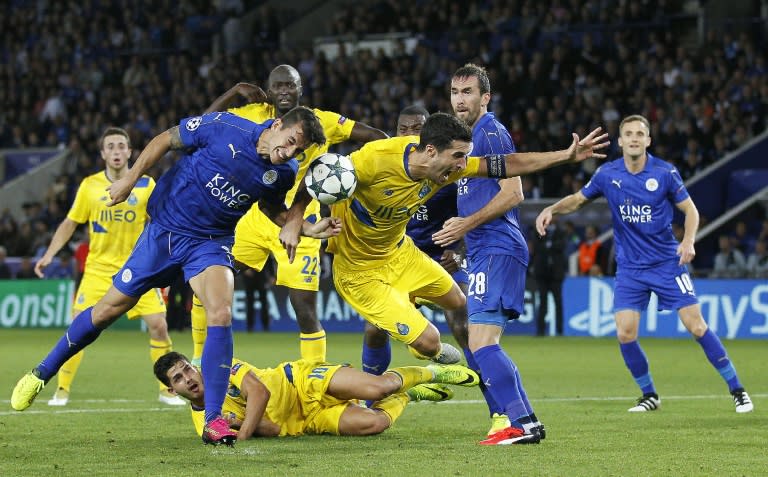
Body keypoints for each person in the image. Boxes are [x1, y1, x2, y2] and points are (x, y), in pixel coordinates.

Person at [12, 106, 341, 448]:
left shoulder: (283, 172)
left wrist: (306, 228)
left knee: (221, 311)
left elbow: (271, 209)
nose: (288, 153)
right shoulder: (224, 126)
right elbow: (165, 139)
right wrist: (130, 178)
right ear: (276, 125)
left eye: (297, 151)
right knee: (106, 311)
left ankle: (213, 419)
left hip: (210, 243)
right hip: (164, 233)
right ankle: (41, 374)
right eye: (288, 142)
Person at [281, 112, 608, 442]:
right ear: (430, 151)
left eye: (464, 157)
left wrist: (565, 156)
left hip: (400, 252)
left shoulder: (448, 165)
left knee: (458, 303)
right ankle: (428, 371)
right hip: (359, 271)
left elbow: (505, 164)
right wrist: (295, 222)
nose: (461, 166)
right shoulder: (375, 160)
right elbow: (320, 174)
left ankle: (419, 325)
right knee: (430, 341)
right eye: (457, 157)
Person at [535, 114, 753, 414]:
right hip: (630, 269)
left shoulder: (665, 173)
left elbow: (690, 211)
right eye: (629, 134)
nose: (635, 138)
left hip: (667, 263)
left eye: (640, 133)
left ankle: (737, 389)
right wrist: (552, 209)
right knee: (625, 333)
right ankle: (649, 395)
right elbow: (577, 199)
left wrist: (688, 241)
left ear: (648, 140)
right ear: (621, 141)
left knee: (696, 325)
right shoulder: (607, 174)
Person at [189, 66, 388, 365]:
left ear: (300, 89)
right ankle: (198, 358)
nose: (284, 91)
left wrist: (353, 169)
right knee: (206, 282)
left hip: (300, 221)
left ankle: (315, 377)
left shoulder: (322, 121)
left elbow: (377, 137)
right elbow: (201, 125)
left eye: (290, 85)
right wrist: (233, 92)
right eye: (277, 86)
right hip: (254, 218)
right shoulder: (255, 112)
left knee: (304, 308)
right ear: (269, 91)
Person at [33, 127, 183, 407]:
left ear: (130, 152)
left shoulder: (146, 185)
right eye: (110, 147)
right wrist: (50, 254)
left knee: (159, 326)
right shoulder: (90, 185)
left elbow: (162, 222)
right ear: (103, 154)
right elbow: (70, 222)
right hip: (98, 272)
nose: (116, 151)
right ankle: (62, 391)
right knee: (77, 327)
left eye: (121, 146)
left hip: (139, 269)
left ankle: (166, 391)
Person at [432, 64, 541, 444]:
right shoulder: (467, 141)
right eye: (455, 92)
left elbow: (514, 193)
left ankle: (521, 424)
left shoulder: (490, 134)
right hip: (485, 251)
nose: (460, 100)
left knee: (480, 343)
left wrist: (465, 225)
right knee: (483, 342)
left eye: (467, 92)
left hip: (498, 247)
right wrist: (463, 243)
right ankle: (526, 421)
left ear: (485, 97)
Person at [360, 105, 469, 400]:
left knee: (461, 313)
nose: (409, 135)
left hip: (435, 258)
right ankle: (371, 397)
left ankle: (482, 377)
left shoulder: (446, 177)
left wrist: (458, 253)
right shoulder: (383, 166)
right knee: (374, 329)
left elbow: (470, 220)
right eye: (403, 129)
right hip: (392, 258)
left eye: (416, 129)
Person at [154, 351, 479, 439]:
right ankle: (411, 395)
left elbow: (259, 391)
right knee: (373, 424)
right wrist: (241, 425)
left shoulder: (220, 368)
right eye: (179, 379)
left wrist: (241, 431)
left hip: (300, 381)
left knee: (379, 387)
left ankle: (433, 371)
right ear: (172, 390)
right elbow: (274, 429)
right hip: (305, 421)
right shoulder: (204, 426)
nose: (189, 379)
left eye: (187, 369)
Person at [531, 215, 567, 336]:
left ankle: (560, 331)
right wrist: (551, 246)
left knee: (558, 303)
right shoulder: (539, 231)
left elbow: (562, 246)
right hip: (542, 274)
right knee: (542, 303)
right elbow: (536, 247)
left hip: (556, 274)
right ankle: (540, 331)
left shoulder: (561, 232)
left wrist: (548, 245)